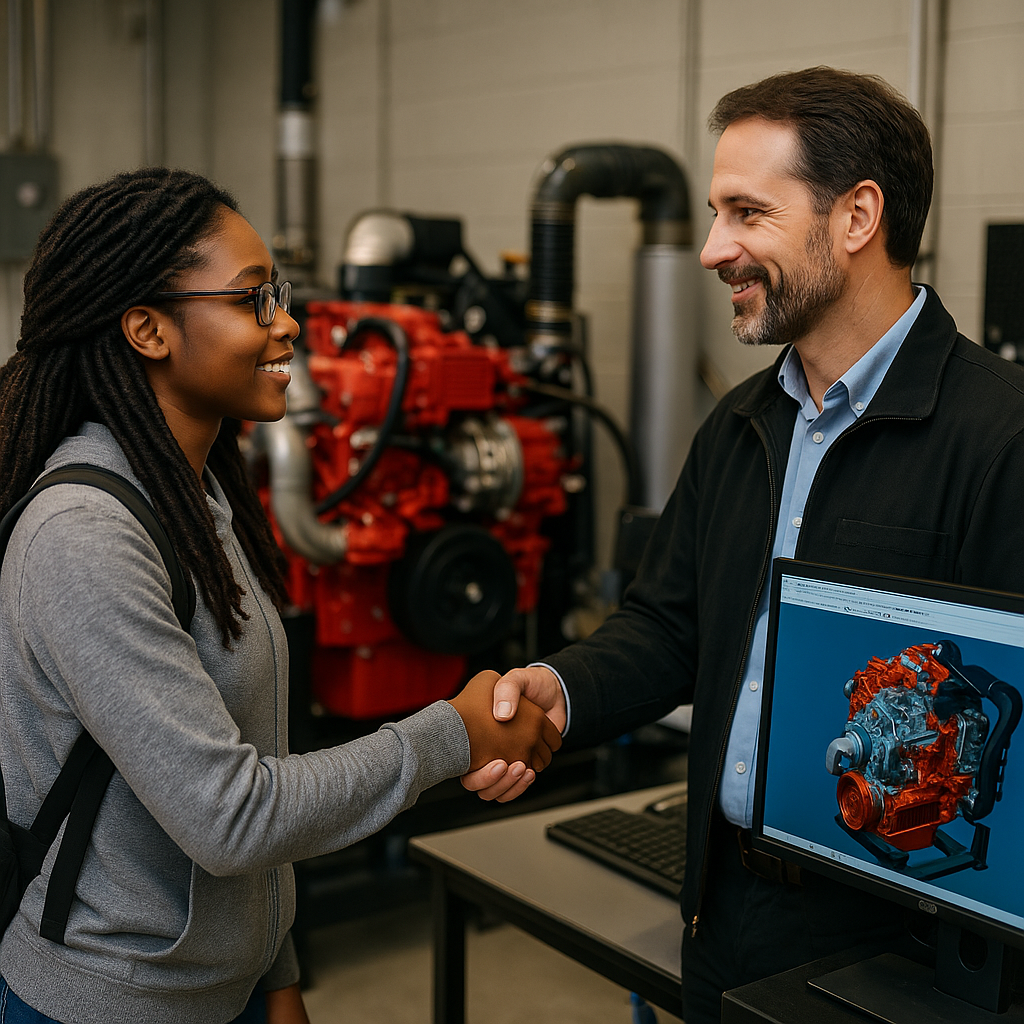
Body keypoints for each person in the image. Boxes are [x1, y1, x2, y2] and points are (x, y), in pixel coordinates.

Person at [462, 66, 1024, 1022]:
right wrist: (556, 692)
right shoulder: (742, 426)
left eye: (747, 213)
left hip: (893, 964)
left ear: (857, 217)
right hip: (722, 920)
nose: (714, 247)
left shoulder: (999, 438)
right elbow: (669, 627)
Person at [0, 168, 560, 1024]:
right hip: (110, 1003)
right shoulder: (84, 533)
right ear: (147, 329)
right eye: (254, 300)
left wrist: (275, 968)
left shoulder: (200, 498)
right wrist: (457, 731)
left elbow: (250, 753)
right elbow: (233, 814)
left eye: (280, 296)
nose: (288, 324)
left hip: (227, 991)